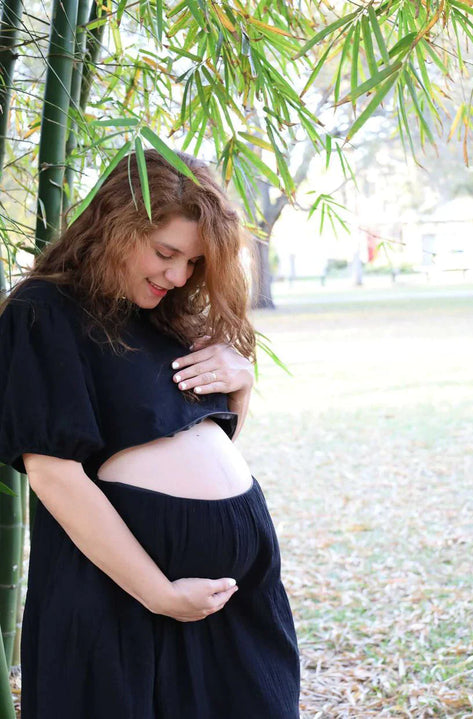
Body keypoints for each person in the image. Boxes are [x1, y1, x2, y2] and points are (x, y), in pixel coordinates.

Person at [0, 150, 300, 719]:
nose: (178, 275)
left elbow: (208, 449)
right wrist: (160, 593)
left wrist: (242, 384)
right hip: (121, 600)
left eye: (193, 262)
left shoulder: (172, 314)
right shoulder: (45, 312)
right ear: (116, 225)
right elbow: (54, 474)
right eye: (166, 253)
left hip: (234, 603)